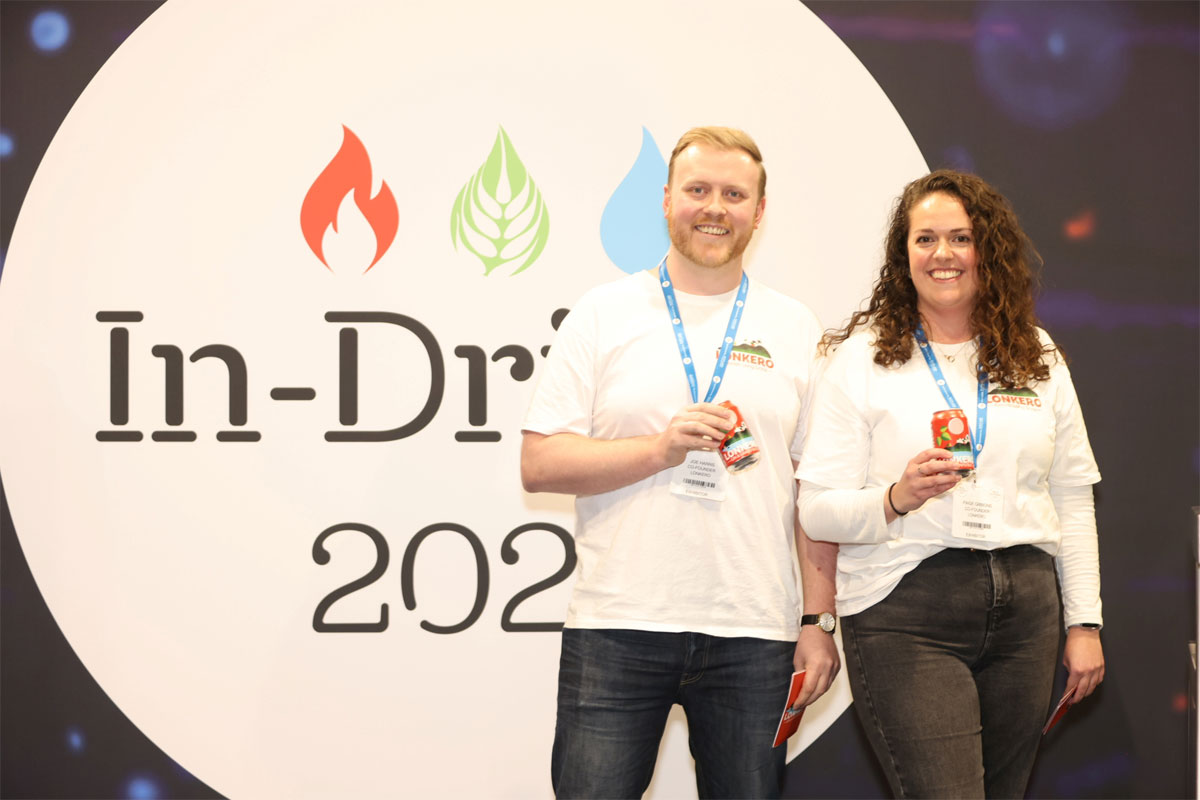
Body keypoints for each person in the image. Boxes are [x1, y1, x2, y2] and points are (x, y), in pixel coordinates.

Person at [521, 126, 839, 799]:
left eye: (733, 193)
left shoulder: (795, 327)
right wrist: (660, 450)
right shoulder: (602, 314)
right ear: (666, 200)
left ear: (759, 209)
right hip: (618, 625)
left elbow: (815, 493)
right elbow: (540, 463)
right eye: (698, 190)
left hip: (755, 633)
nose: (714, 207)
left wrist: (817, 623)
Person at [796, 169, 1105, 799]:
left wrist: (1085, 624)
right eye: (925, 239)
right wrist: (895, 497)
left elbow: (1072, 497)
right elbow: (817, 511)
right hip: (908, 610)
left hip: (1027, 607)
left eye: (960, 238)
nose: (942, 255)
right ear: (902, 254)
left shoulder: (1037, 356)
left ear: (986, 249)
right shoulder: (861, 359)